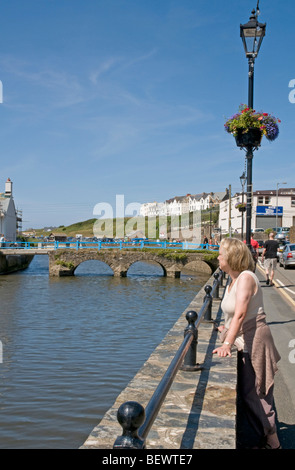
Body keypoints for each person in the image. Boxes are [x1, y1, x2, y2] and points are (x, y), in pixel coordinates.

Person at [213, 238, 281, 449]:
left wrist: (227, 343)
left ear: (232, 257)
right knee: (248, 394)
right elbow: (234, 314)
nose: (217, 257)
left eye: (221, 254)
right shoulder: (232, 279)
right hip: (243, 340)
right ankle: (262, 439)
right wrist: (225, 330)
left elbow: (241, 313)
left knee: (257, 395)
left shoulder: (245, 278)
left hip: (254, 342)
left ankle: (273, 442)